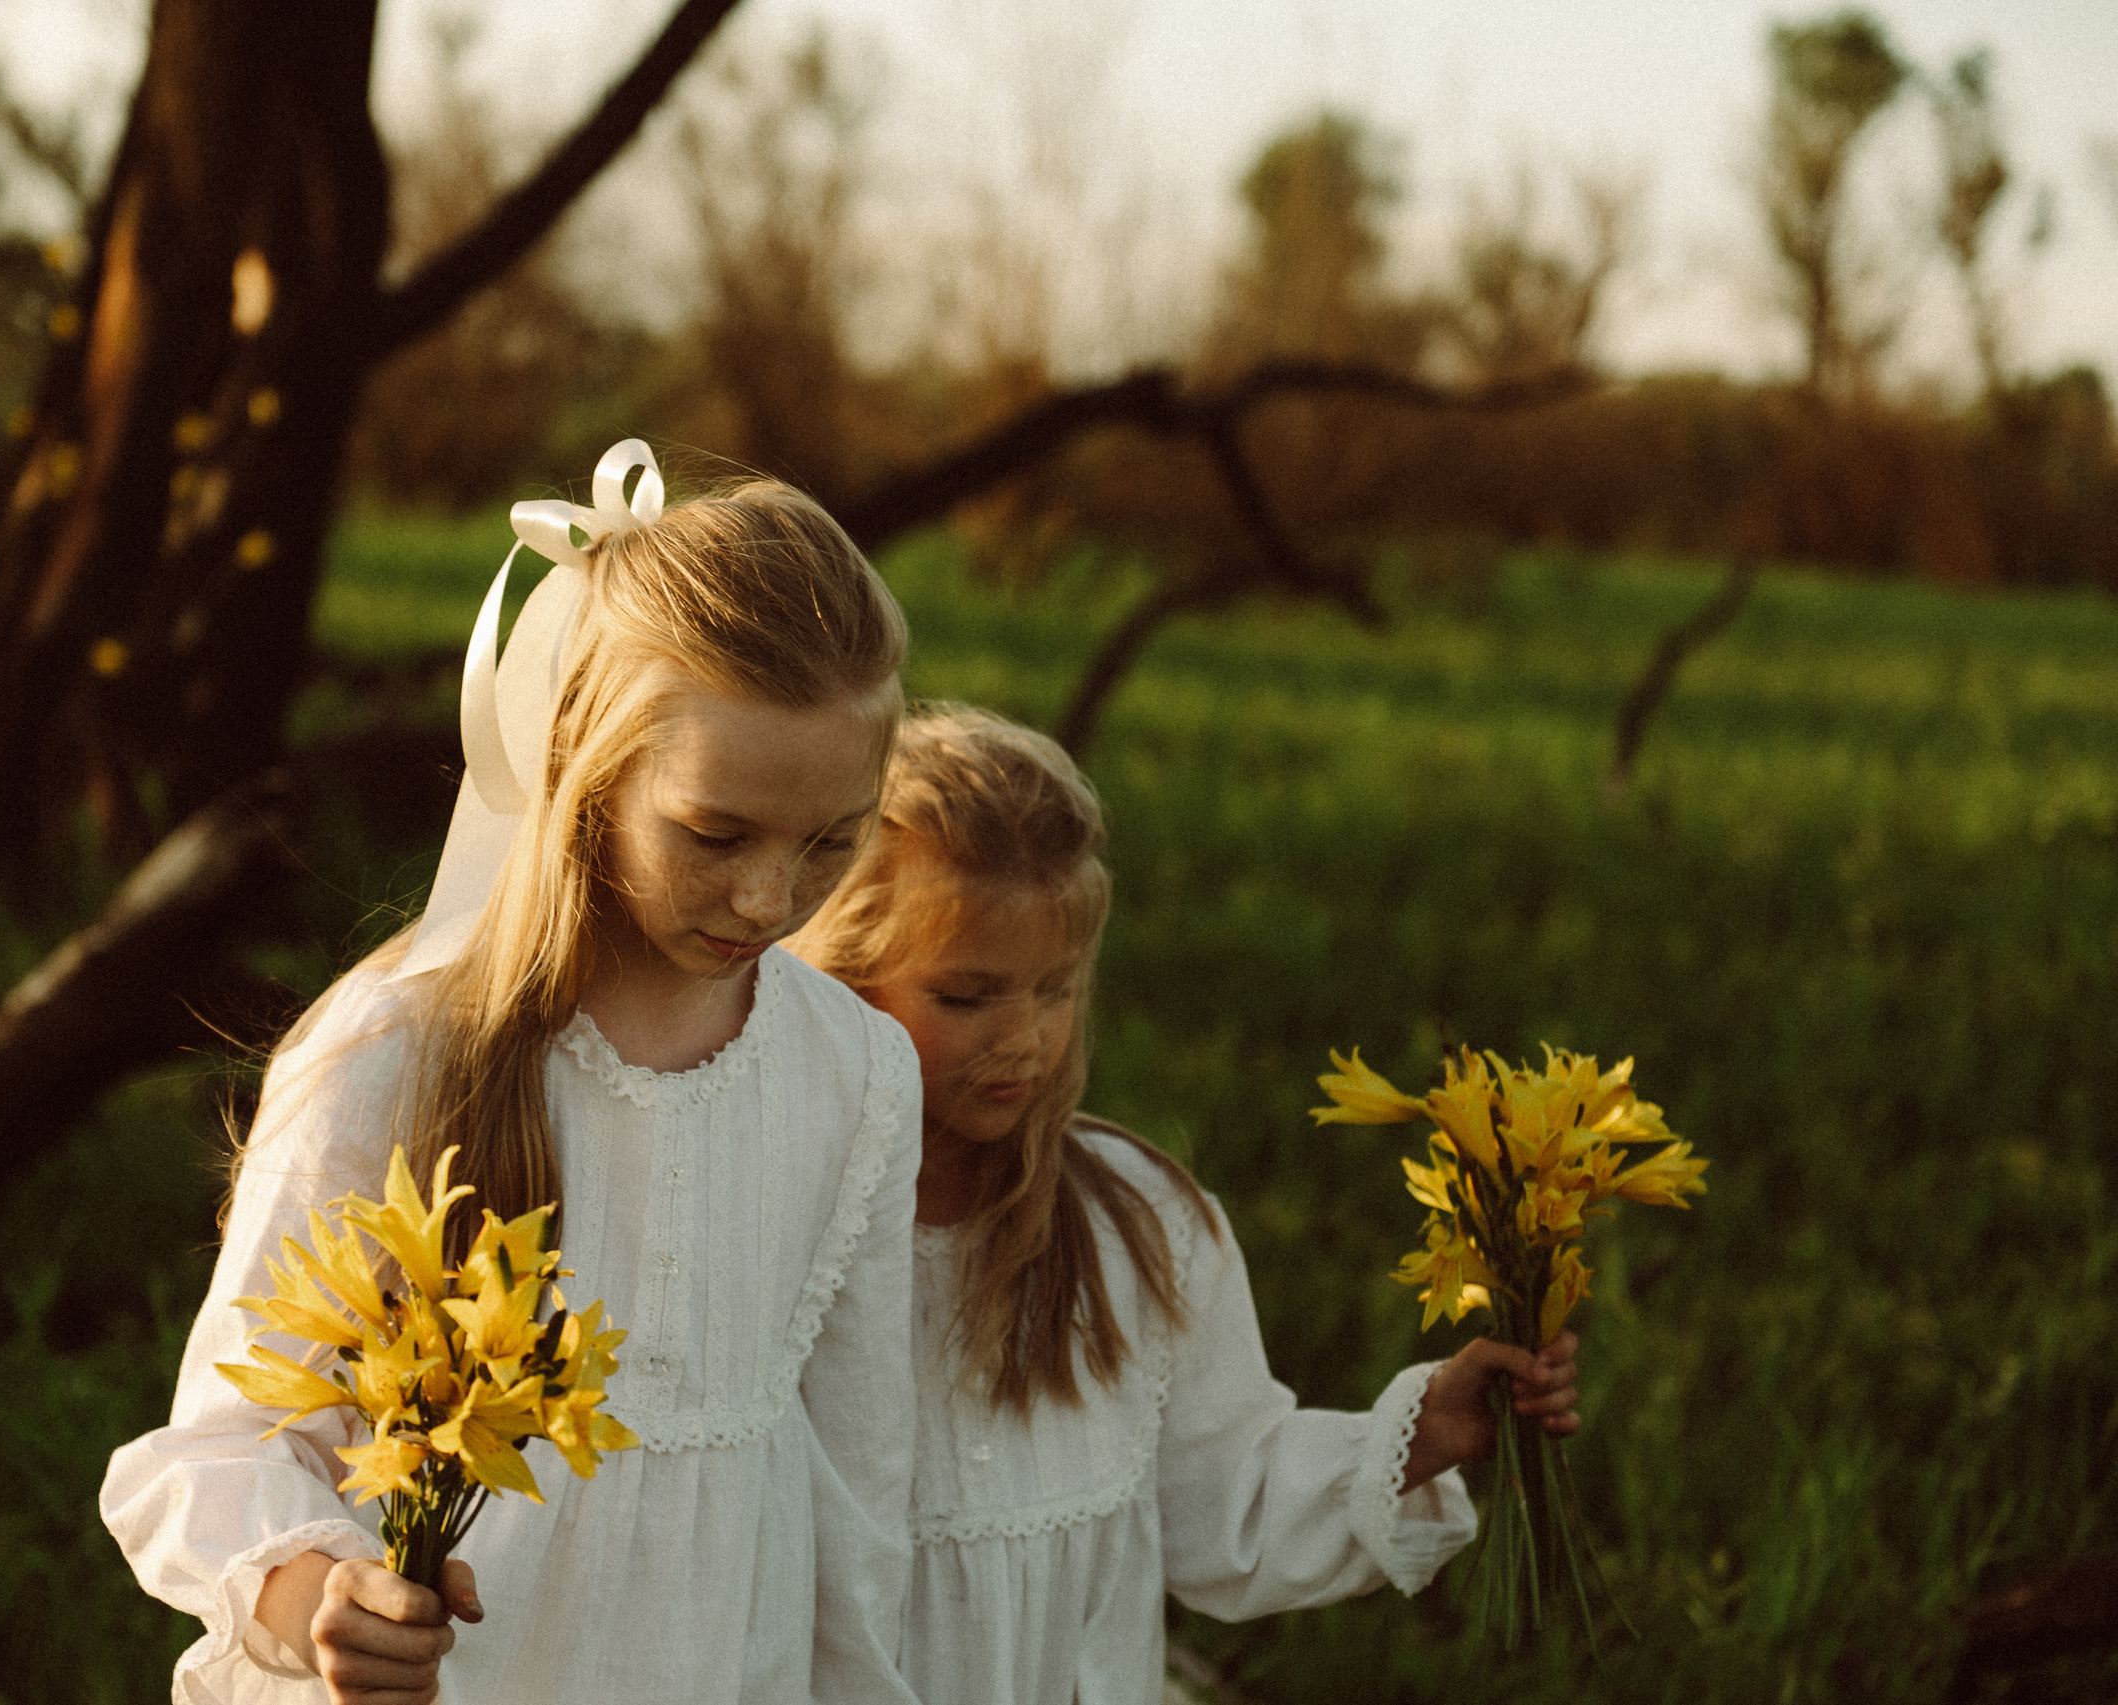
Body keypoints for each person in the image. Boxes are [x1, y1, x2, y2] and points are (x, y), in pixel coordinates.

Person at [101, 443, 926, 1705]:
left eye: (831, 841)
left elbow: (858, 1482)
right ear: (589, 772)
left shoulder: (857, 1070)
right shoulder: (394, 1052)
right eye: (715, 834)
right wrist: (320, 1594)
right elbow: (212, 1452)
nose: (771, 897)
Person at [788, 704, 1581, 1705]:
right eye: (967, 994)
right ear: (836, 981)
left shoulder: (1139, 1224)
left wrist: (1426, 1429)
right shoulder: (782, 1230)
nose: (1025, 1036)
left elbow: (1223, 1497)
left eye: (1055, 988)